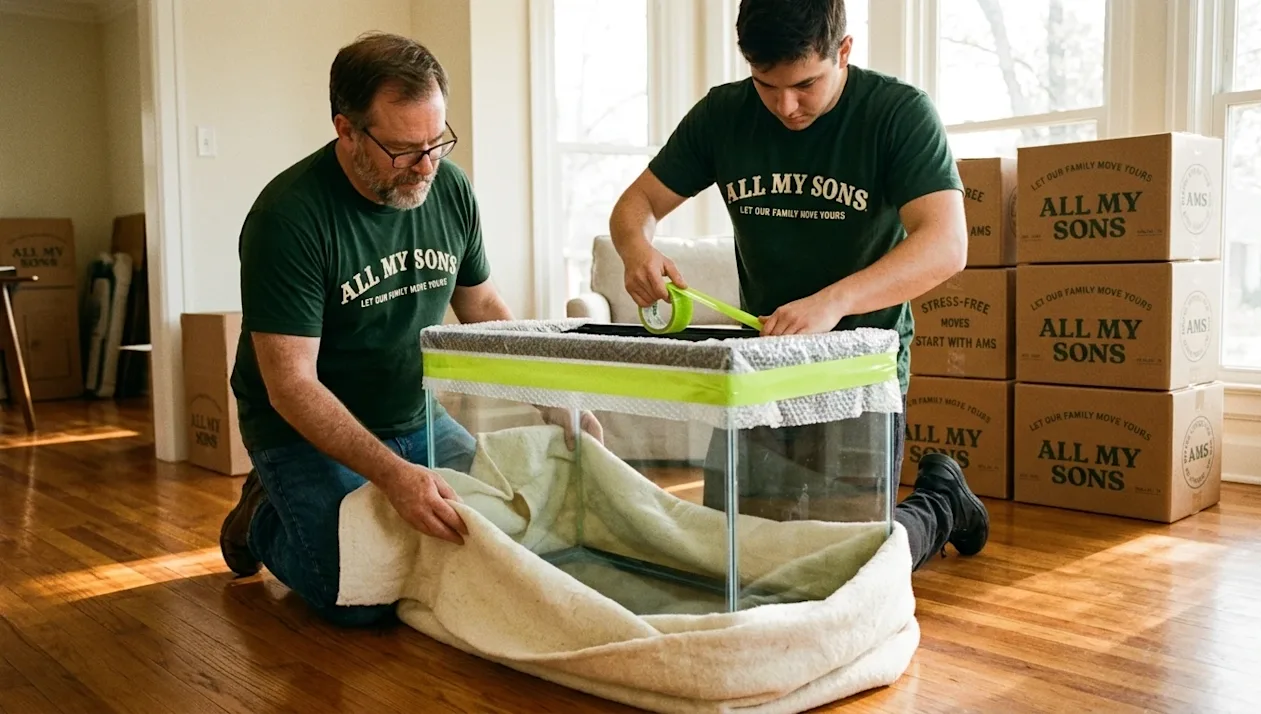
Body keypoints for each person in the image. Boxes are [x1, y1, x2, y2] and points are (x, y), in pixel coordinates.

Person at [218, 32, 599, 626]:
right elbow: (290, 384)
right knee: (356, 598)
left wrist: (552, 395)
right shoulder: (287, 218)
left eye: (437, 142)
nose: (426, 167)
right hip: (301, 428)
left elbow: (483, 308)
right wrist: (396, 477)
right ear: (346, 130)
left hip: (412, 411)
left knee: (496, 539)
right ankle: (264, 515)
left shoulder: (449, 188)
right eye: (403, 150)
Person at [607, 0, 989, 570]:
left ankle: (939, 499)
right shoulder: (722, 115)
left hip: (860, 366)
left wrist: (831, 303)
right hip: (762, 362)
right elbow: (634, 206)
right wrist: (637, 249)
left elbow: (946, 245)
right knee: (729, 555)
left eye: (806, 84)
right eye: (767, 85)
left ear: (844, 51)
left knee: (847, 564)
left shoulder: (897, 112)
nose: (786, 106)